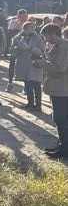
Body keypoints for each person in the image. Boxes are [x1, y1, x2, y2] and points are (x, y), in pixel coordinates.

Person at [37, 24, 68, 160]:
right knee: (60, 118)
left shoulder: (62, 47)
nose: (46, 39)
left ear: (52, 34)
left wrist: (44, 63)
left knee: (60, 119)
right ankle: (62, 145)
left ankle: (64, 149)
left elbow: (60, 68)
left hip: (62, 88)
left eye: (46, 36)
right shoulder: (59, 46)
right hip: (59, 88)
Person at [10, 20, 46, 111]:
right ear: (24, 28)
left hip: (35, 63)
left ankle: (38, 105)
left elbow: (43, 51)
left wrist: (32, 48)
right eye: (30, 27)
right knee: (27, 84)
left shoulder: (38, 38)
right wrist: (17, 49)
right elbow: (12, 51)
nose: (32, 29)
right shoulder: (17, 38)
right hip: (23, 63)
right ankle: (30, 103)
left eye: (33, 27)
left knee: (36, 85)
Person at [5, 9, 28, 91]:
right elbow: (10, 34)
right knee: (12, 65)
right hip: (15, 47)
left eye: (25, 16)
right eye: (21, 16)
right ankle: (10, 83)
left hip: (26, 48)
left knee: (26, 66)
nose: (23, 18)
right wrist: (19, 30)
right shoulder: (13, 22)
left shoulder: (29, 23)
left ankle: (26, 86)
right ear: (18, 16)